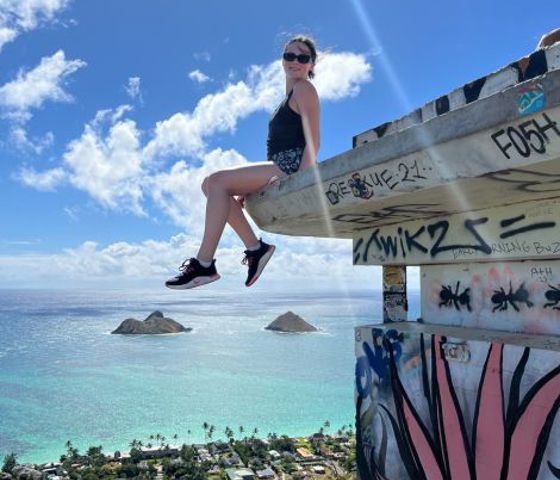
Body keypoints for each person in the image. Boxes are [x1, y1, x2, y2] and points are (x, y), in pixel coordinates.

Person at [165, 35, 321, 290]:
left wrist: (299, 183)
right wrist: (251, 185)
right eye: (289, 55)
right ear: (282, 59)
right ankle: (256, 249)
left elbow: (313, 142)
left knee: (216, 181)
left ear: (311, 65)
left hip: (290, 169)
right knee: (210, 187)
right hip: (277, 167)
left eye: (302, 57)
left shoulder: (304, 89)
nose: (294, 61)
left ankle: (204, 264)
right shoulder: (288, 96)